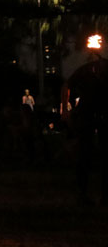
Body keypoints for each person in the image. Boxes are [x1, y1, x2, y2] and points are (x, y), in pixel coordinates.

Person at [60, 36, 108, 206]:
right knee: (85, 155)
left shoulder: (99, 69)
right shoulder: (87, 70)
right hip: (88, 115)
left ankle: (103, 196)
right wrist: (65, 110)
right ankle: (83, 194)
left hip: (102, 116)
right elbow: (67, 85)